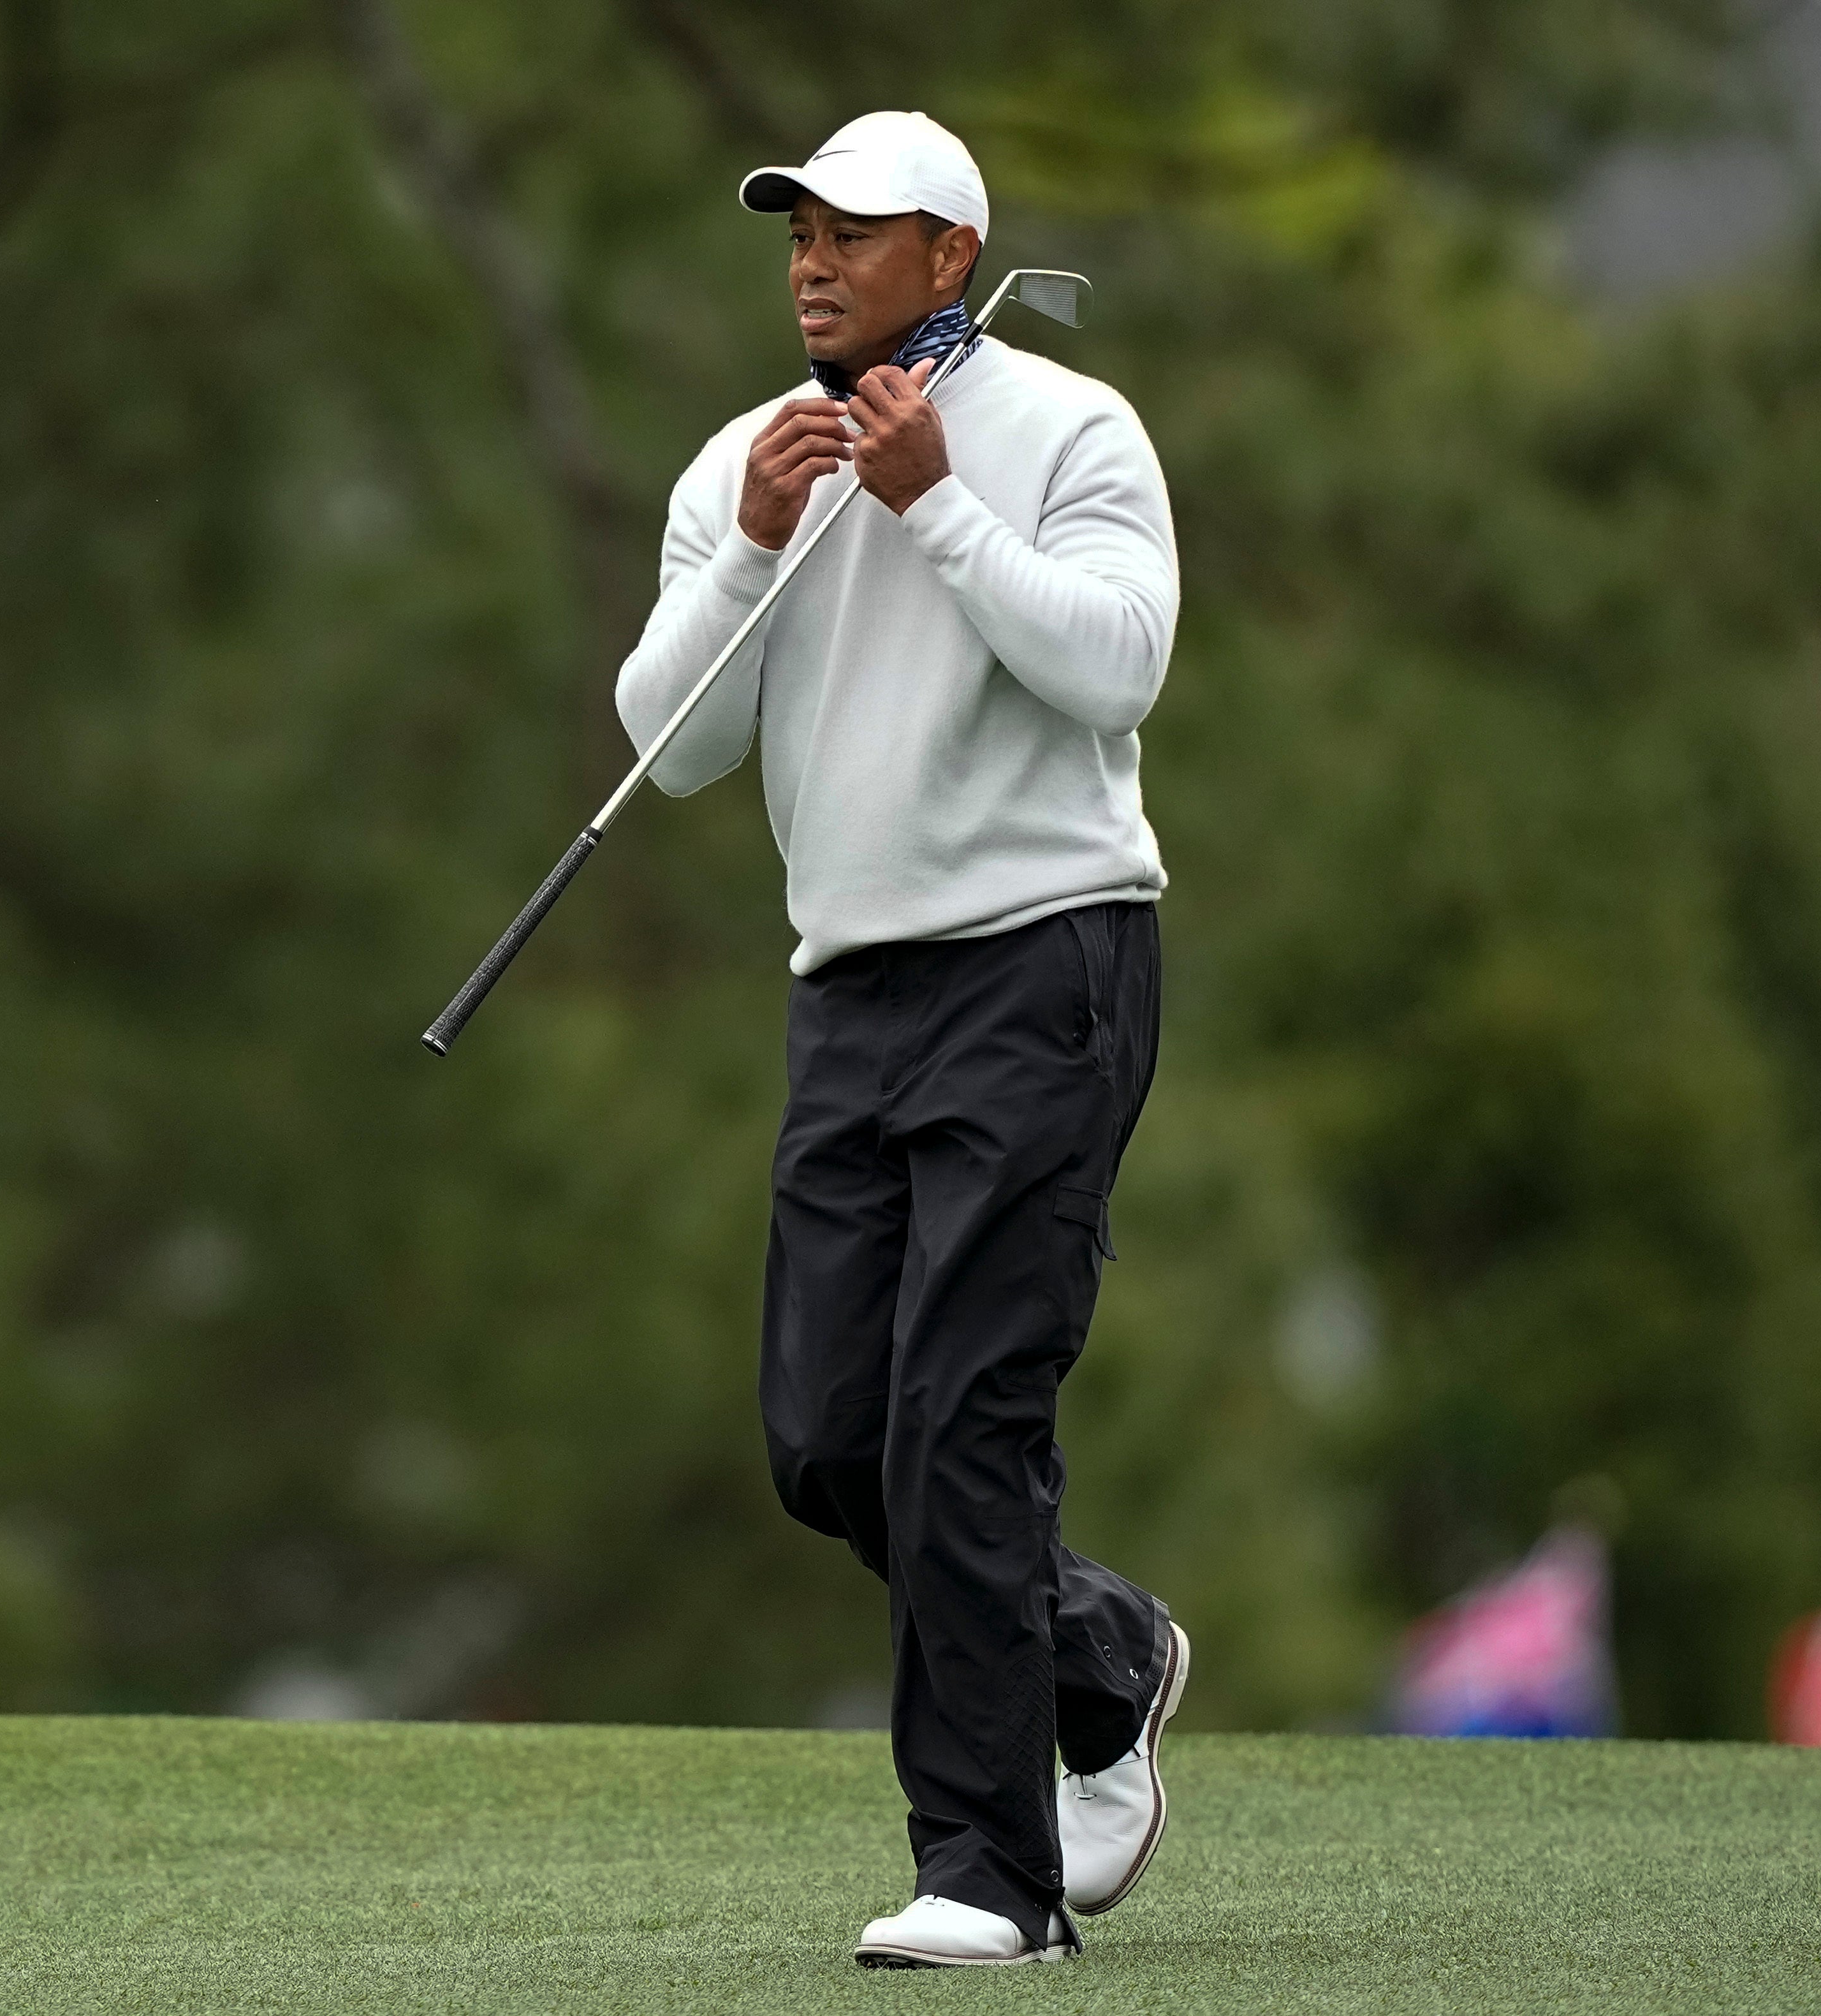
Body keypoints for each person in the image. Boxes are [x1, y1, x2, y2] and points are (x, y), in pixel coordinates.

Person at [613, 110, 1189, 1968]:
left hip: (1045, 963)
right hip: (846, 987)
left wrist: (934, 499)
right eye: (794, 231)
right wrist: (757, 541)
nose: (807, 261)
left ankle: (988, 1878)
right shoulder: (745, 463)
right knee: (828, 1436)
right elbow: (663, 742)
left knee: (961, 1414)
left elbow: (1118, 664)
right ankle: (1100, 1660)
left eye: (852, 234)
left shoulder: (1065, 429)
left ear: (950, 257)